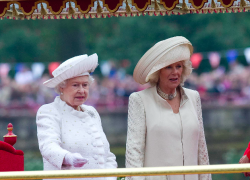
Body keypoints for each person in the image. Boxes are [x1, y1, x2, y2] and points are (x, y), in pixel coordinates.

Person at [125, 36, 212, 180]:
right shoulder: (139, 100)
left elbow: (201, 147)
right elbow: (134, 152)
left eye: (178, 66)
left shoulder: (193, 97)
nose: (175, 72)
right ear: (158, 71)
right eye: (168, 67)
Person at [36, 54, 117, 180]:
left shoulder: (92, 112)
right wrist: (68, 158)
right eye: (75, 85)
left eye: (85, 85)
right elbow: (48, 147)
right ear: (61, 87)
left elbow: (106, 154)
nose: (82, 90)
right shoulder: (48, 111)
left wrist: (110, 177)